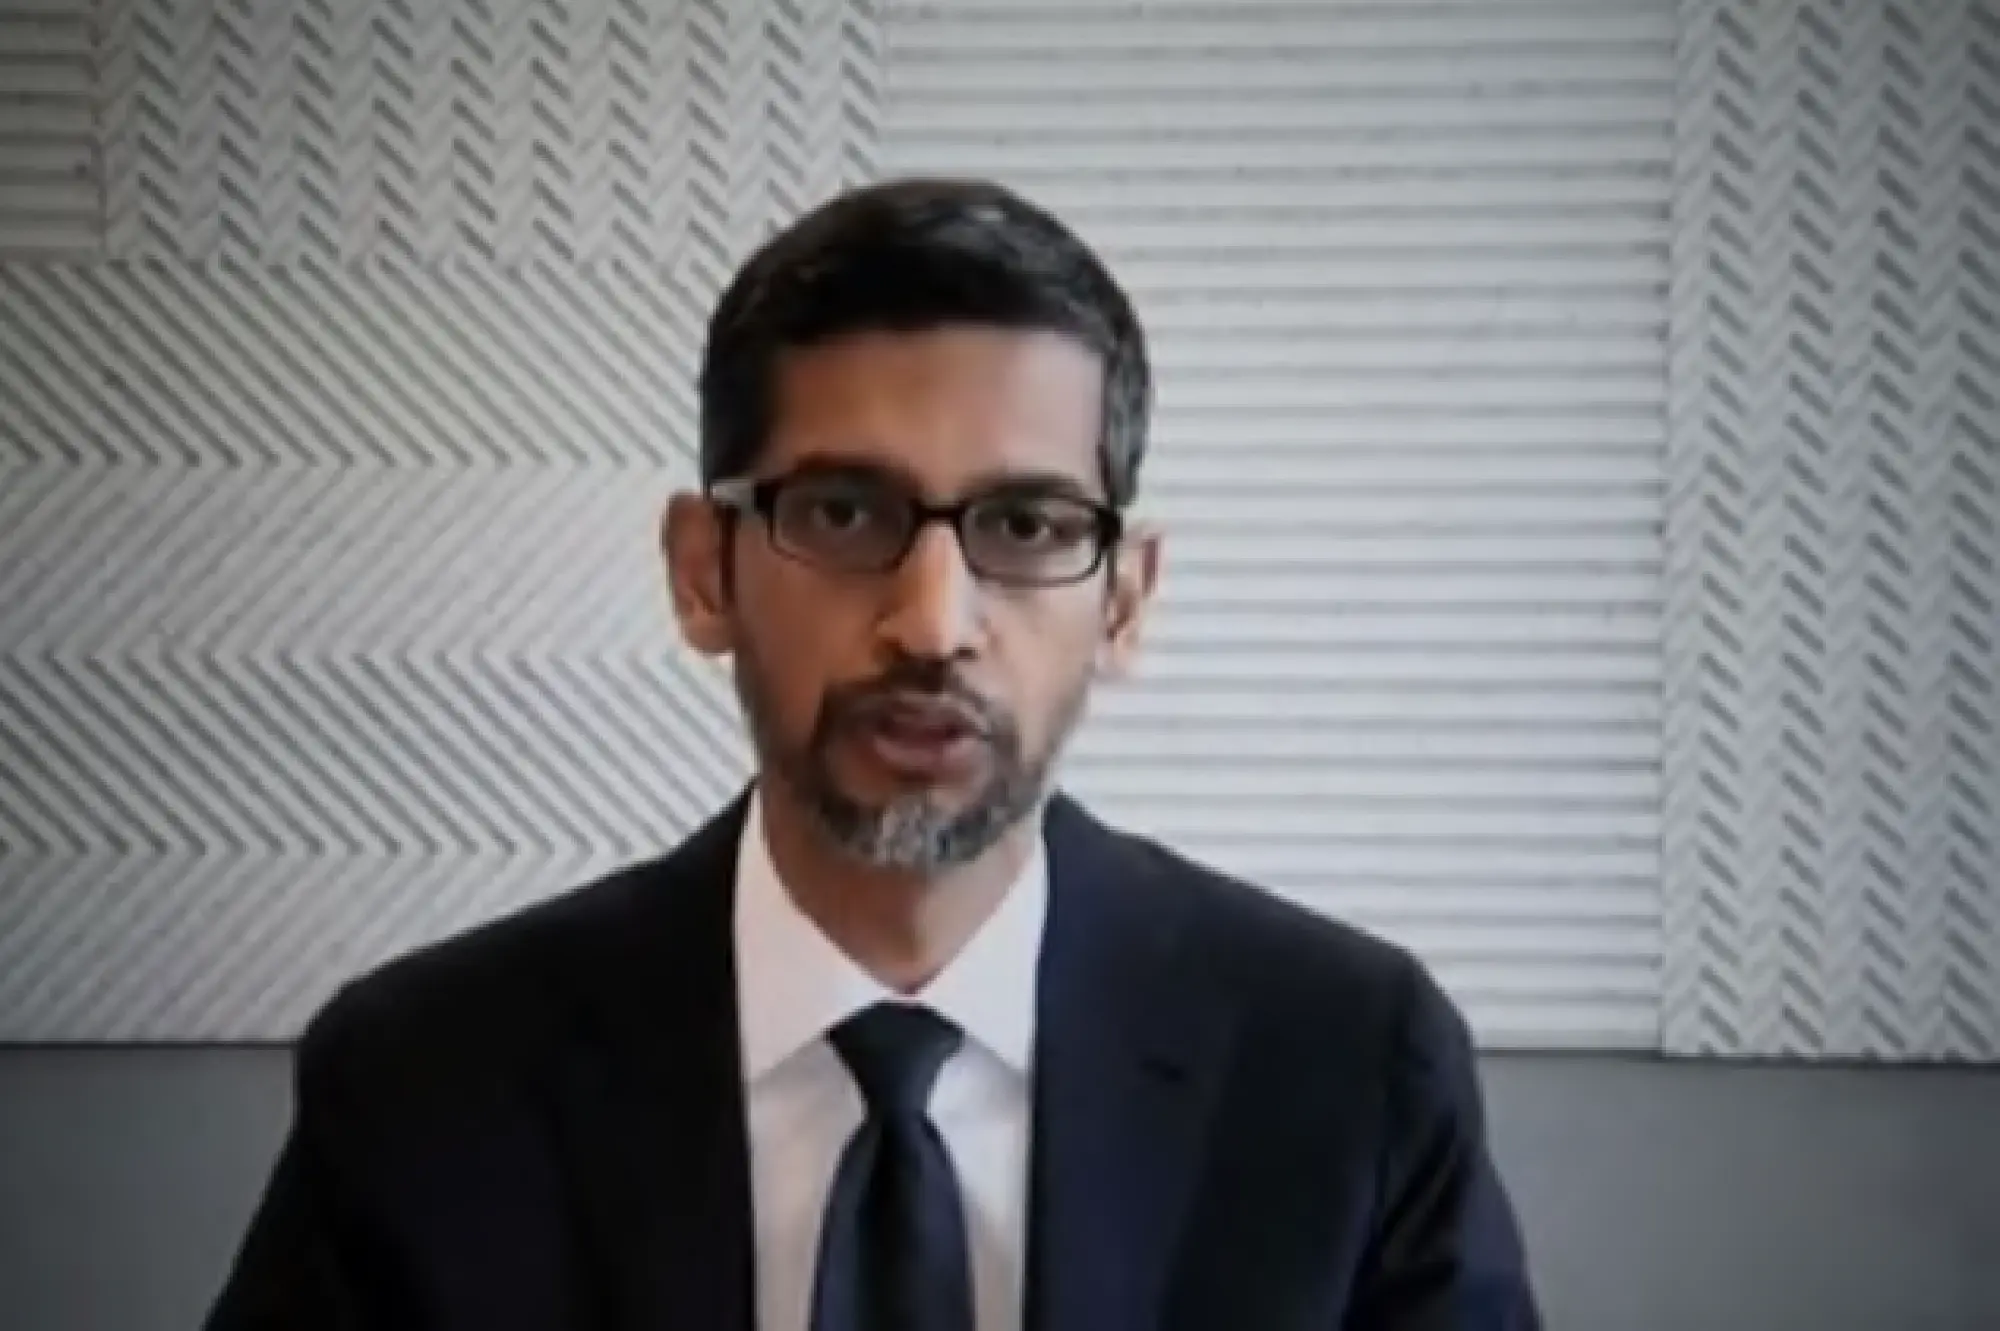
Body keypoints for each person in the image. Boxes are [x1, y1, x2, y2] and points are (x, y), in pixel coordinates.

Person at [204, 176, 1541, 1331]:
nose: (932, 622)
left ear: (1122, 598)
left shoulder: (1352, 1065)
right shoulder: (423, 1082)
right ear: (703, 570)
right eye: (844, 510)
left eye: (1025, 524)